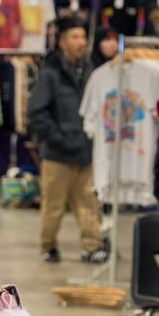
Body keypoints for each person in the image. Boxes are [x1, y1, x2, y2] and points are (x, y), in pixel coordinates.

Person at [27, 17, 108, 264]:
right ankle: (48, 246)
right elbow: (36, 112)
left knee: (89, 204)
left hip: (87, 152)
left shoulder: (93, 72)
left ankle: (92, 245)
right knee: (53, 206)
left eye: (83, 37)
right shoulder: (50, 74)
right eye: (75, 37)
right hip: (57, 154)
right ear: (62, 42)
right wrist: (58, 139)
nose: (81, 42)